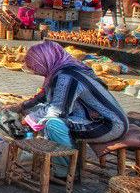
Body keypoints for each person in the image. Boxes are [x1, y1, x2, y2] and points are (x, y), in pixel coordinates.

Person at [12, 42, 128, 177]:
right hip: (95, 119)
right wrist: (22, 106)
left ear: (44, 61)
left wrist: (29, 120)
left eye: (35, 66)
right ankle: (57, 157)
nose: (34, 70)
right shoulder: (63, 70)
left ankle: (64, 170)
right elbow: (44, 96)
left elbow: (57, 111)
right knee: (40, 115)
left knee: (53, 124)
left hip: (109, 125)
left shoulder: (66, 77)